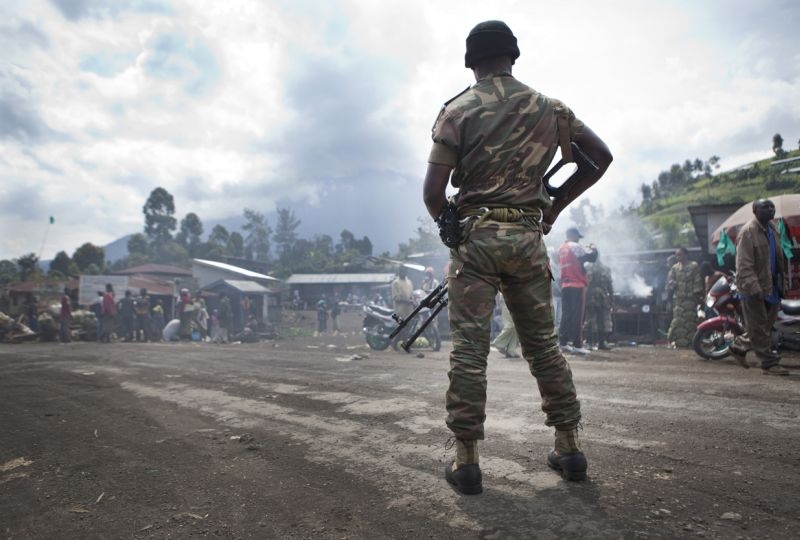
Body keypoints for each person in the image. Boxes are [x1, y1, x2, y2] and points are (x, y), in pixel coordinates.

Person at [422, 20, 612, 493]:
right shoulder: (550, 108)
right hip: (528, 240)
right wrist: (553, 208)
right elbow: (600, 157)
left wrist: (453, 227)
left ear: (471, 60)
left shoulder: (457, 111)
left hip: (478, 239)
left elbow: (432, 193)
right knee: (543, 345)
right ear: (514, 56)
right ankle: (569, 448)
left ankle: (466, 460)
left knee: (469, 349)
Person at [730, 199, 789, 375]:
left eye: (772, 207)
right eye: (765, 207)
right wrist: (754, 288)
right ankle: (769, 363)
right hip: (753, 288)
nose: (770, 209)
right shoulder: (748, 232)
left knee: (762, 326)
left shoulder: (773, 228)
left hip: (772, 286)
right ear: (755, 210)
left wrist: (782, 283)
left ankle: (738, 346)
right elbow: (744, 265)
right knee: (759, 326)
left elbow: (779, 259)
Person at [558, 227, 598, 355]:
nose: (578, 239)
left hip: (565, 284)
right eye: (577, 236)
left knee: (566, 314)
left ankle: (563, 342)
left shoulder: (561, 249)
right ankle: (578, 344)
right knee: (578, 316)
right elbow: (592, 257)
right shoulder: (574, 246)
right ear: (572, 235)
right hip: (577, 284)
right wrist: (593, 247)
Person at [666, 247, 703, 348]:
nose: (678, 257)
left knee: (690, 321)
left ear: (686, 255)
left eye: (680, 254)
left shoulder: (693, 266)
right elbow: (670, 281)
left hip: (690, 299)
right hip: (678, 299)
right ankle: (678, 343)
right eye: (677, 255)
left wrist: (697, 295)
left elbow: (697, 280)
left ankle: (692, 343)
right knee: (677, 321)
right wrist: (671, 284)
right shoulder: (674, 268)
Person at [585, 256, 614, 350]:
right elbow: (610, 286)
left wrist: (611, 299)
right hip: (597, 298)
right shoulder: (605, 269)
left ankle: (595, 343)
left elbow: (610, 285)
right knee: (595, 321)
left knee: (595, 321)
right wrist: (611, 299)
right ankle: (595, 343)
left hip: (594, 298)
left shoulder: (587, 268)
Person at [491, 293, 519, 358]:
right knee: (510, 325)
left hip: (517, 300)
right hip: (507, 298)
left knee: (516, 326)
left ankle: (511, 350)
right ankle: (497, 342)